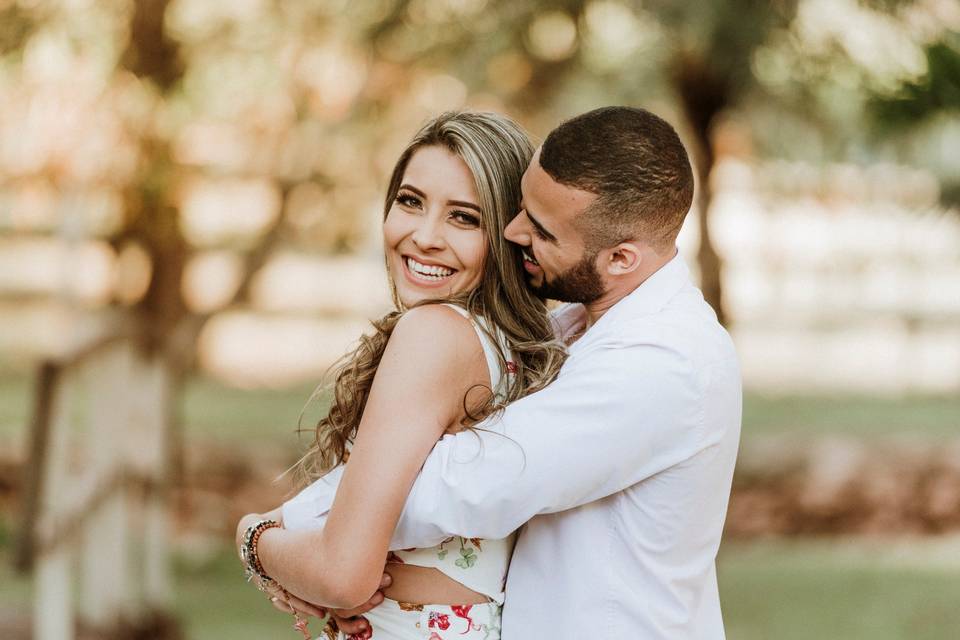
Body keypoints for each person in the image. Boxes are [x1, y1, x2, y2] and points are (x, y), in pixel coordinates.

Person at [249, 106, 742, 639]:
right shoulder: (558, 333)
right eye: (410, 201)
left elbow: (464, 484)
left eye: (468, 216)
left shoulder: (661, 361)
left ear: (621, 258)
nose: (514, 230)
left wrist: (268, 539)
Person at [236, 110, 566, 639]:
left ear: (509, 235)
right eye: (410, 202)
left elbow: (344, 576)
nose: (424, 236)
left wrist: (254, 539)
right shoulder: (506, 347)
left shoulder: (434, 335)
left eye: (464, 217)